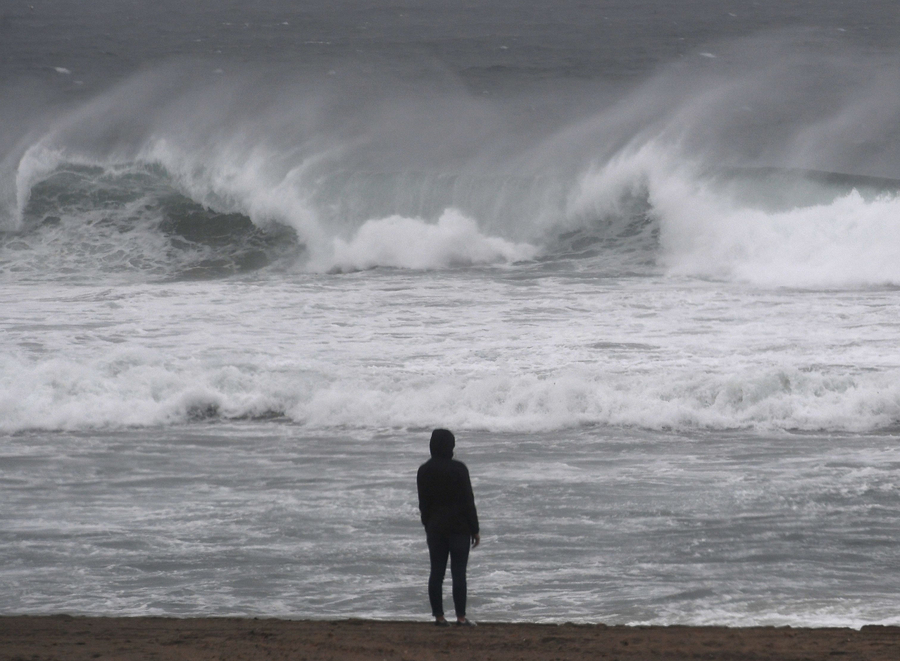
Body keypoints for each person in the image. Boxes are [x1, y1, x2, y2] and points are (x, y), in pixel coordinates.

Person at [416, 428, 480, 627]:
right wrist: (475, 529)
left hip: (435, 528)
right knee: (458, 573)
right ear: (451, 446)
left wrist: (428, 524)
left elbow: (423, 504)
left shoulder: (424, 470)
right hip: (459, 528)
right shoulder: (459, 469)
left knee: (437, 572)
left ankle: (439, 617)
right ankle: (461, 618)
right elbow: (468, 501)